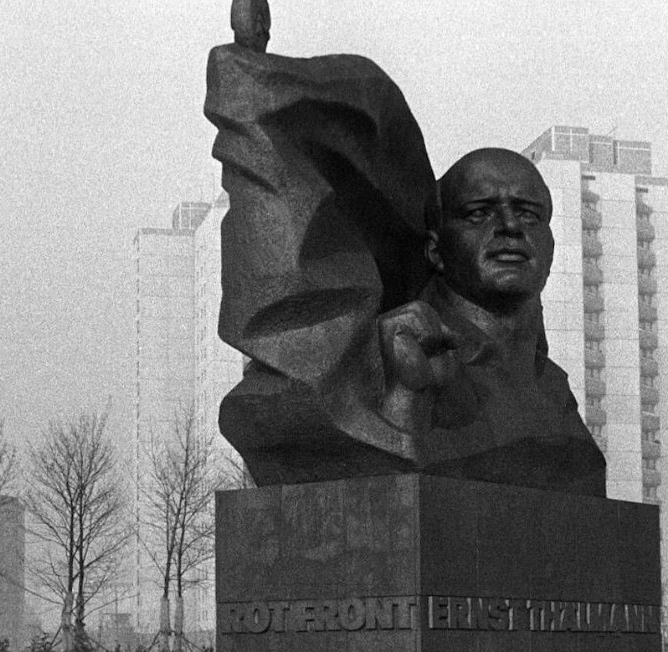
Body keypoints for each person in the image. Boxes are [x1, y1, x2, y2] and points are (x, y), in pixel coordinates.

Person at [206, 2, 606, 496]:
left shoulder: (553, 395)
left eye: (529, 213)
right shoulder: (383, 353)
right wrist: (397, 402)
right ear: (436, 249)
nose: (508, 227)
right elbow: (272, 413)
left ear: (550, 240)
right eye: (479, 212)